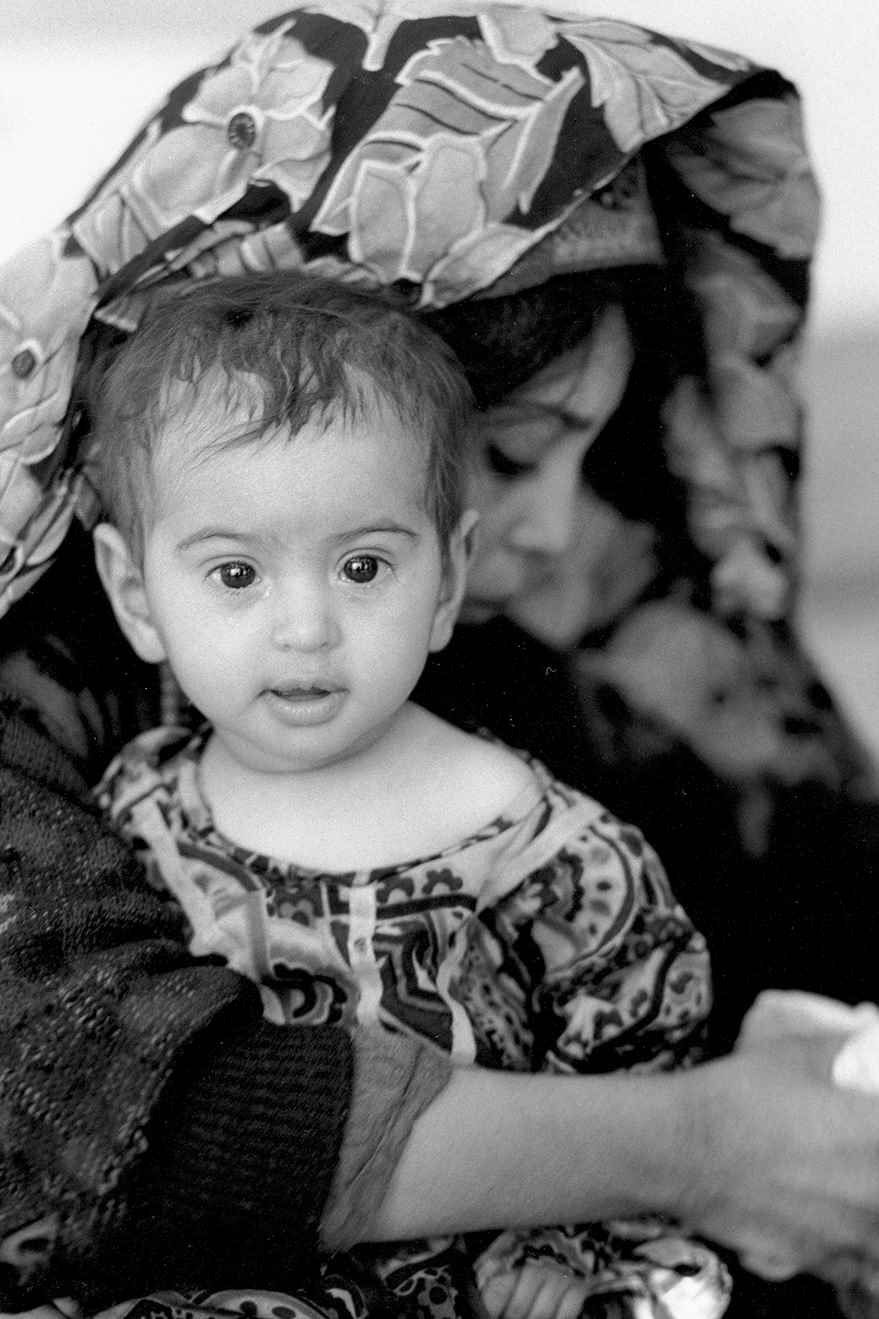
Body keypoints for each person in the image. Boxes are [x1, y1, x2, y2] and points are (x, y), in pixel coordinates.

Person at [0, 6, 878, 1319]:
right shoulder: (45, 694)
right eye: (517, 452)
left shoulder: (512, 639)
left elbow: (808, 892)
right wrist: (706, 1143)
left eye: (589, 444)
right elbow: (120, 1110)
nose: (554, 522)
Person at [89, 267, 724, 1319]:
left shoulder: (543, 846)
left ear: (448, 578)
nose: (306, 627)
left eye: (366, 566)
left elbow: (641, 1053)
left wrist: (557, 1246)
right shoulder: (137, 809)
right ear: (135, 596)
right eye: (237, 574)